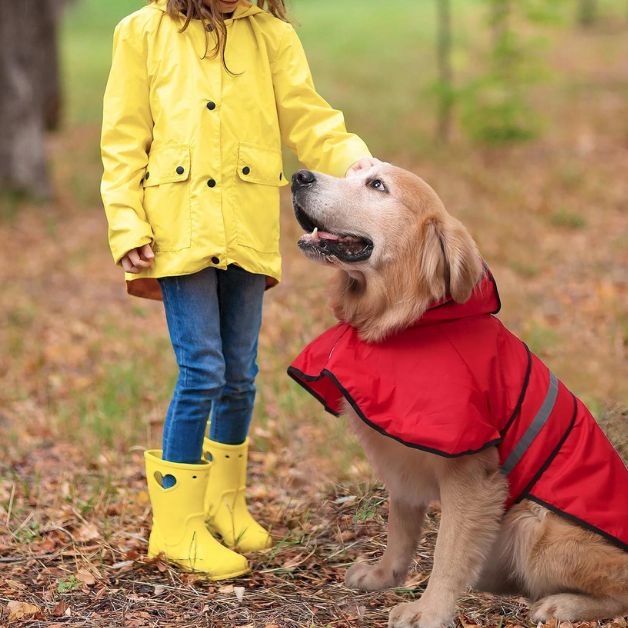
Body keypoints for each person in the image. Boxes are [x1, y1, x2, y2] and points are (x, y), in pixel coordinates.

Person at [101, 0, 377, 580]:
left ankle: (224, 502)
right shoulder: (142, 33)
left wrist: (359, 165)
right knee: (202, 368)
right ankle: (176, 526)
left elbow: (308, 117)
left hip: (245, 223)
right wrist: (127, 221)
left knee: (241, 372)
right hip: (177, 228)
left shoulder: (272, 35)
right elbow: (123, 139)